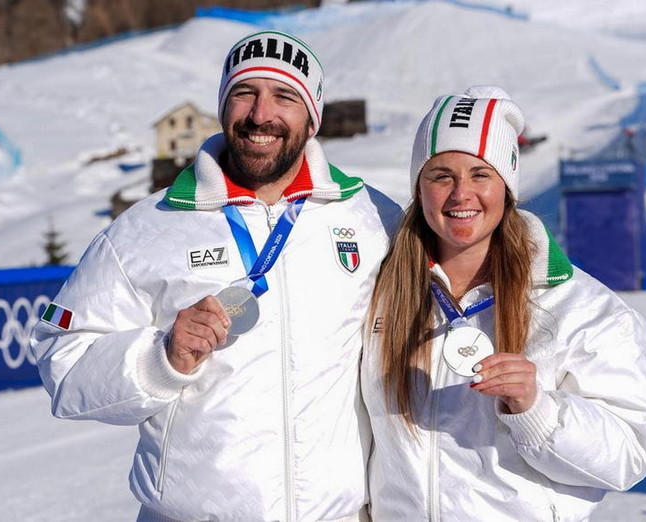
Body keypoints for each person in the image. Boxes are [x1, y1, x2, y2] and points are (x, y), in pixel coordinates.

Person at [31, 30, 400, 522]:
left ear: (312, 117)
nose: (260, 114)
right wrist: (162, 356)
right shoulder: (146, 229)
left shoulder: (373, 218)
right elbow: (64, 361)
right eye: (244, 93)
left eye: (284, 96)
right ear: (224, 106)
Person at [361, 86, 646, 520]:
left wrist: (536, 408)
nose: (460, 194)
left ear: (508, 186)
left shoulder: (581, 307)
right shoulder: (381, 291)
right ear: (419, 188)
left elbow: (630, 454)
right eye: (441, 175)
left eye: (481, 174)